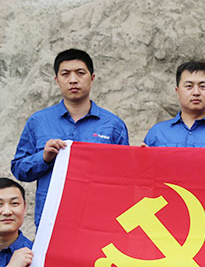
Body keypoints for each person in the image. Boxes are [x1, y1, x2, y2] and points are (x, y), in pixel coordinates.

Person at [11, 49, 129, 227]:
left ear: (92, 78)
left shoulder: (113, 125)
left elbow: (124, 178)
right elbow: (19, 169)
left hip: (98, 219)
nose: (73, 80)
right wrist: (43, 158)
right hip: (51, 220)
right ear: (57, 80)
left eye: (80, 73)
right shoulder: (38, 122)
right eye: (65, 74)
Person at [143, 61, 205, 147]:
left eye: (203, 86)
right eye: (189, 86)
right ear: (177, 92)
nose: (196, 92)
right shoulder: (157, 133)